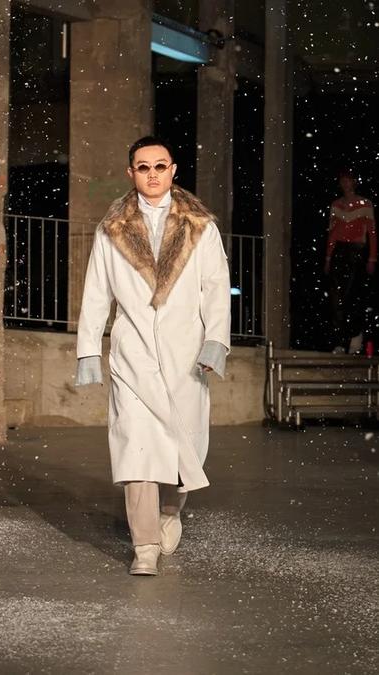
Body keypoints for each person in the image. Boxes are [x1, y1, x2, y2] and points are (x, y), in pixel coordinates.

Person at [75, 136, 231, 575]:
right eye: (143, 167)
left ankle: (169, 511)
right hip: (134, 354)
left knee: (186, 447)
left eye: (160, 166)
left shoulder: (201, 226)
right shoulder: (112, 229)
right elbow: (96, 292)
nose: (152, 174)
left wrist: (215, 341)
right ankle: (144, 545)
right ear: (131, 173)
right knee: (136, 448)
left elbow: (216, 288)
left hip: (186, 352)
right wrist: (89, 349)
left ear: (173, 170)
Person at [324, 169, 376, 354]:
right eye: (343, 180)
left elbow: (372, 232)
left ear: (354, 182)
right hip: (339, 251)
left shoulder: (365, 203)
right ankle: (339, 341)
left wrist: (372, 257)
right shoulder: (336, 204)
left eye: (349, 180)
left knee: (352, 296)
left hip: (357, 250)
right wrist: (328, 257)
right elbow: (332, 234)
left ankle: (355, 336)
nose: (346, 184)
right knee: (336, 297)